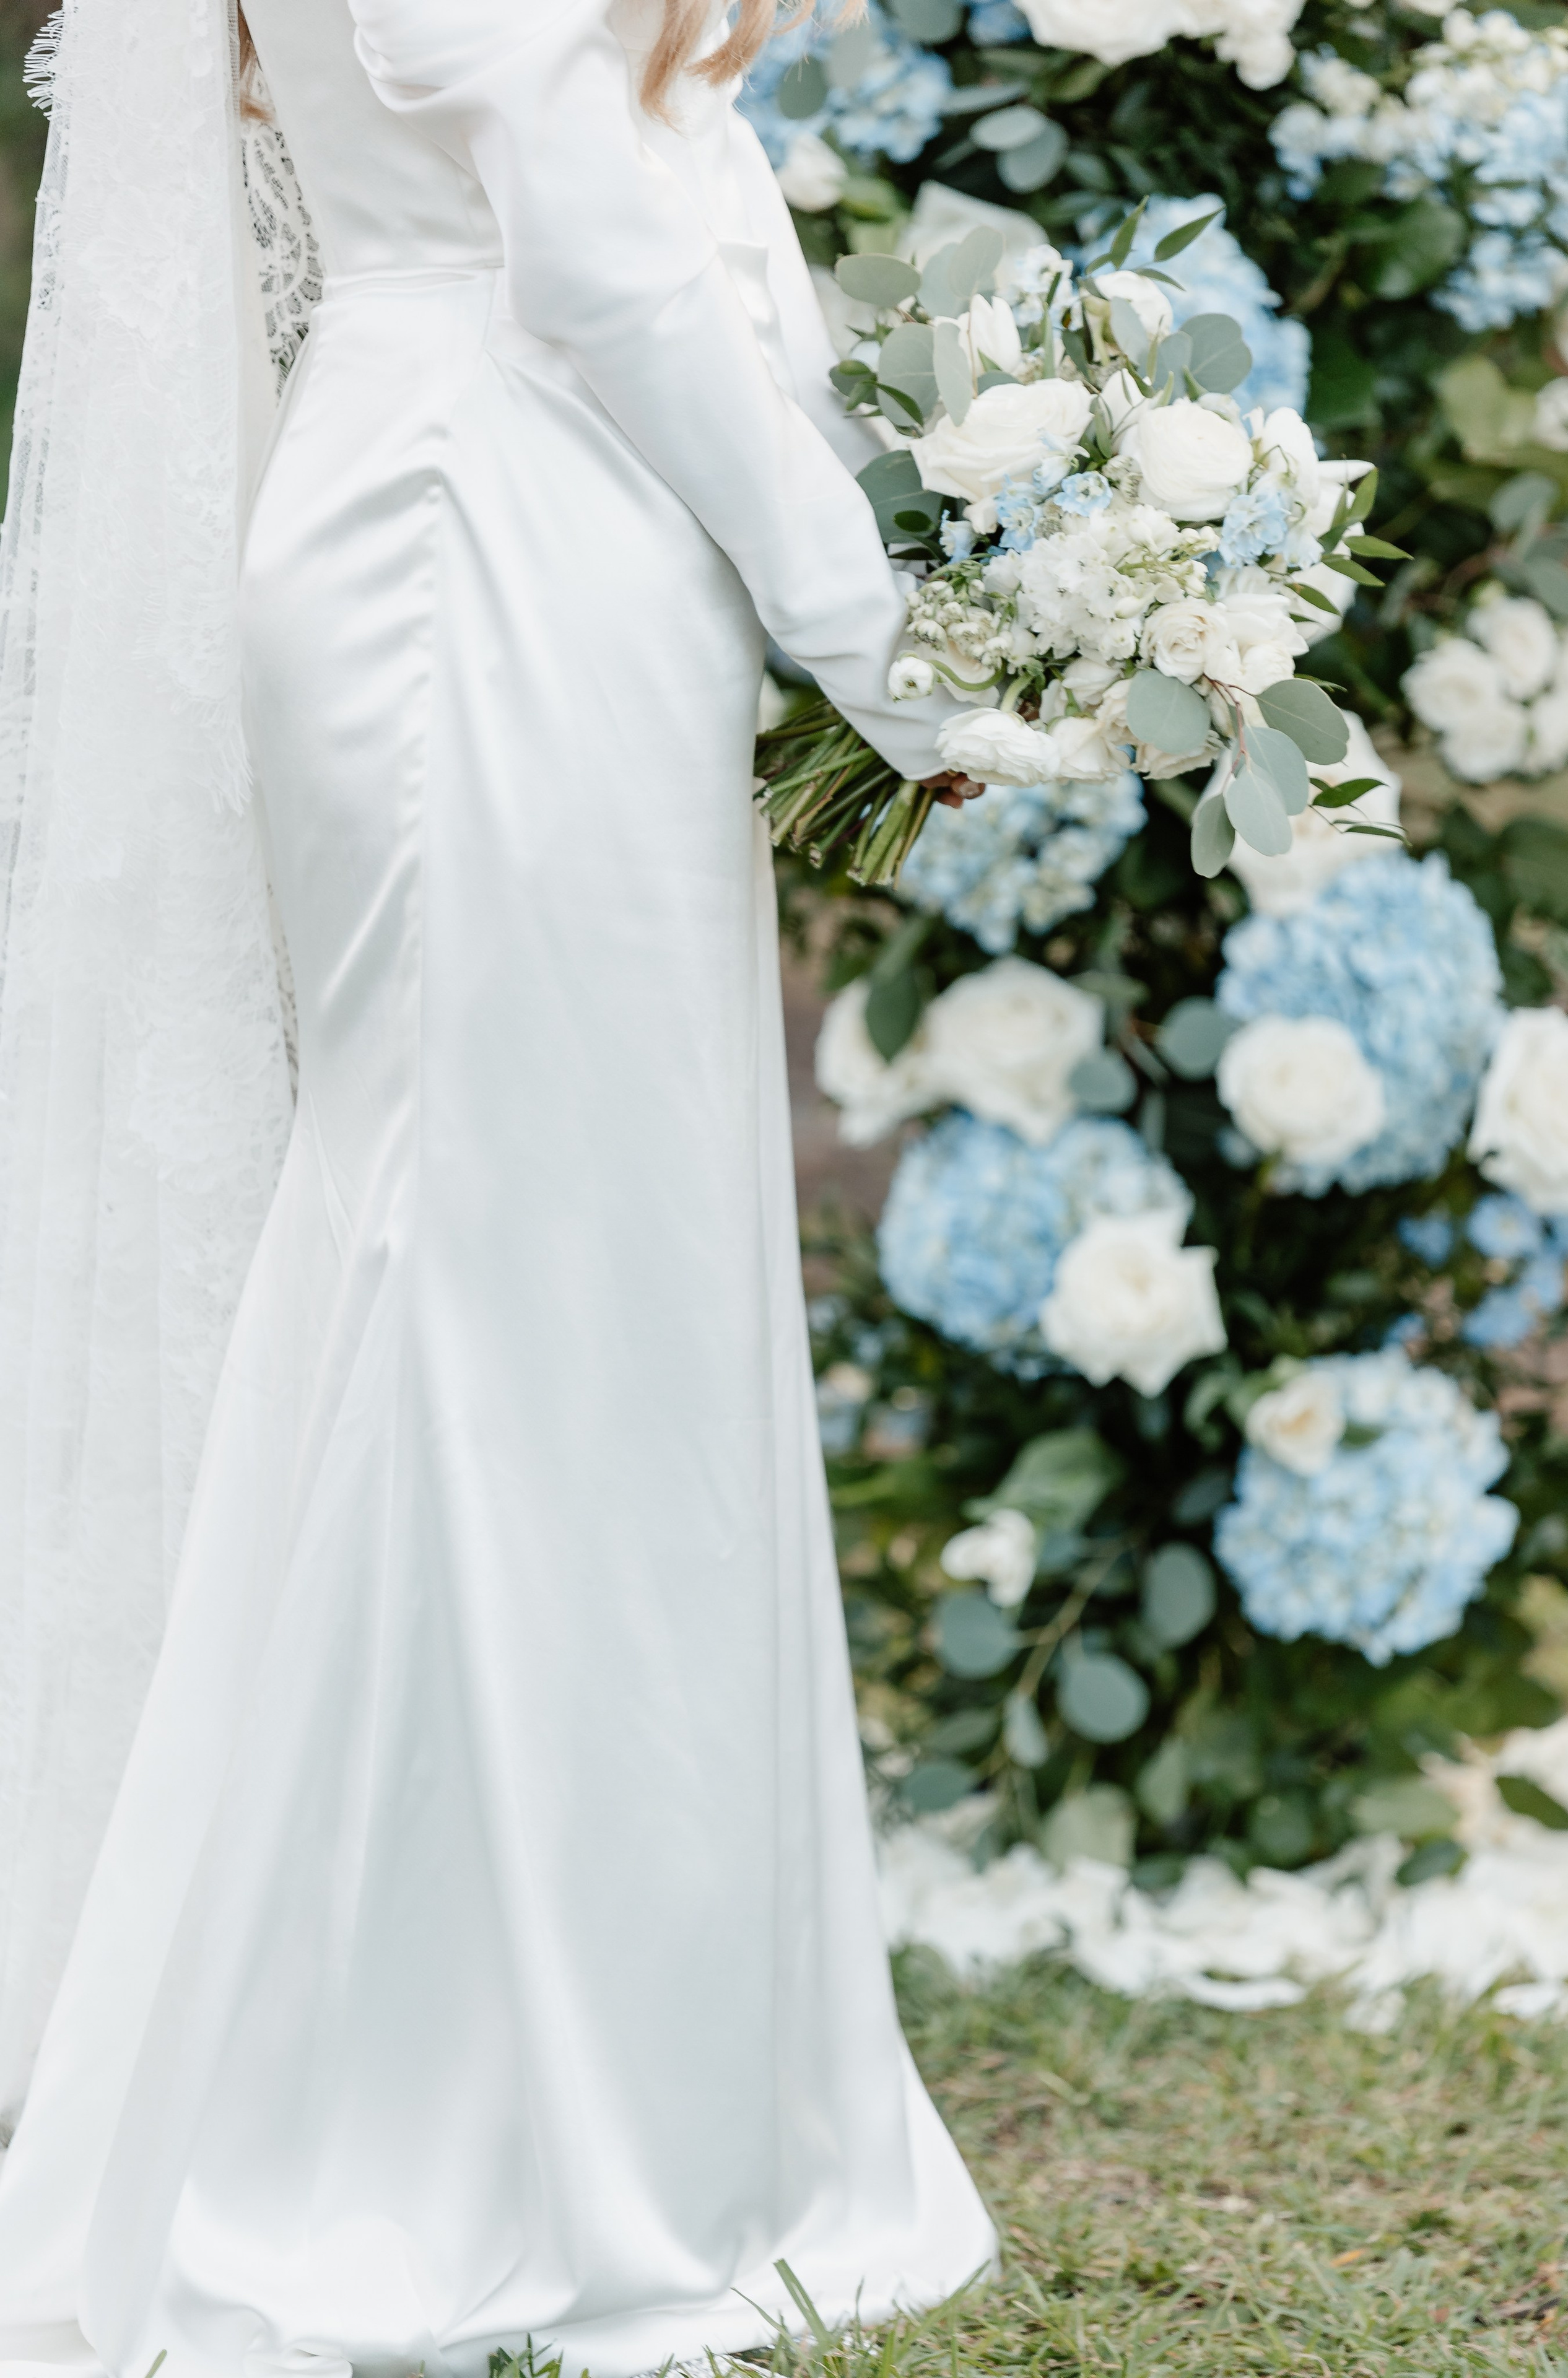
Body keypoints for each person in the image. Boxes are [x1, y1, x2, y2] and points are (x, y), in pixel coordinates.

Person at [0, 0, 993, 2370]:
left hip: (533, 525)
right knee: (478, 1302)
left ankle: (603, 2052)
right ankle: (382, 2101)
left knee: (583, 1303)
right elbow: (592, 237)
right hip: (487, 548)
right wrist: (889, 645)